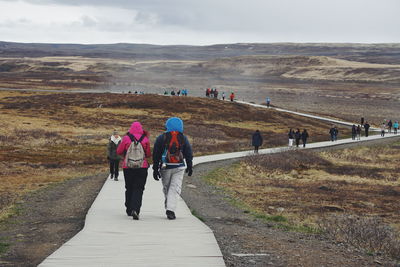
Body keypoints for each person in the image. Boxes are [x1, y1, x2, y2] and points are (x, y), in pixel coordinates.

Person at [152, 117, 193, 220]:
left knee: (167, 188)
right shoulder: (183, 138)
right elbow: (188, 152)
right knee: (174, 188)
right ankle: (170, 209)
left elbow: (156, 154)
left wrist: (155, 168)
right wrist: (189, 165)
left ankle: (169, 207)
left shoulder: (161, 138)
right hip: (179, 167)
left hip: (165, 167)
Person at [116, 122, 151, 220]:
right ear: (141, 129)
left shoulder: (126, 138)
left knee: (129, 187)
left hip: (128, 167)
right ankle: (136, 209)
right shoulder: (145, 139)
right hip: (142, 167)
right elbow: (148, 154)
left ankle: (129, 208)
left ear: (131, 128)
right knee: (139, 188)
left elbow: (118, 151)